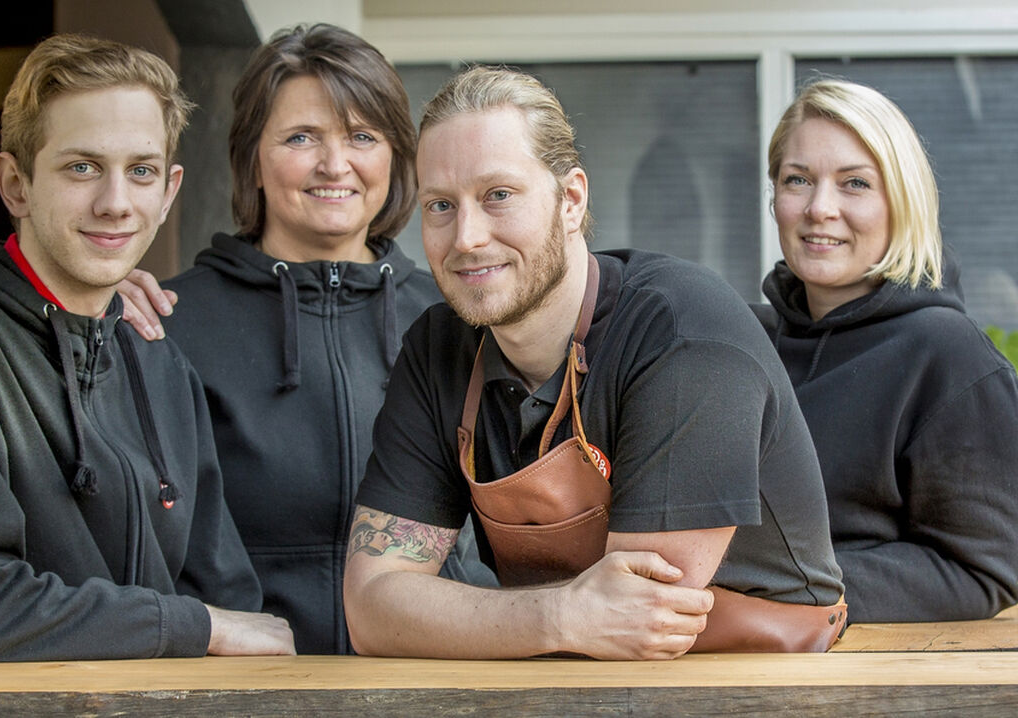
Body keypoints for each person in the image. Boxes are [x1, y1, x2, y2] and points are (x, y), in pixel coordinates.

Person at [344, 66, 845, 660]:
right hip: (559, 676)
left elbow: (640, 618)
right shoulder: (439, 346)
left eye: (498, 195)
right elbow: (371, 610)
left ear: (571, 199)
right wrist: (560, 615)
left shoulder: (684, 331)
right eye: (440, 205)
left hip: (761, 677)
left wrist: (473, 618)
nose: (467, 237)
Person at [0, 34, 294, 662]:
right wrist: (198, 629)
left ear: (169, 190)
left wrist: (214, 627)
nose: (115, 203)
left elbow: (226, 597)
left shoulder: (161, 361)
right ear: (16, 185)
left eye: (140, 171)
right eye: (81, 167)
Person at [118, 24, 492, 654]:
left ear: (396, 156)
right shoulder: (166, 321)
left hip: (434, 679)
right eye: (300, 138)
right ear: (252, 158)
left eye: (362, 137)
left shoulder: (458, 317)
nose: (334, 164)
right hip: (251, 685)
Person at [755, 79, 1018, 622]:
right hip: (709, 656)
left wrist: (780, 586)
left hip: (864, 674)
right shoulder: (744, 342)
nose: (819, 208)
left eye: (854, 183)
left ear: (902, 201)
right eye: (797, 179)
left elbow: (985, 570)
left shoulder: (946, 355)